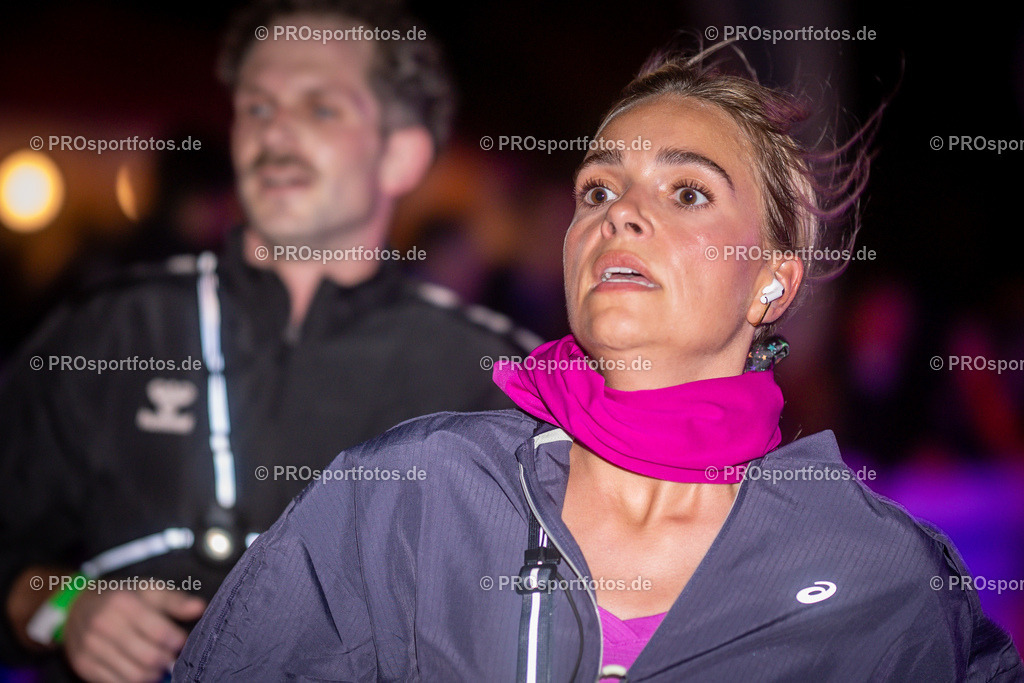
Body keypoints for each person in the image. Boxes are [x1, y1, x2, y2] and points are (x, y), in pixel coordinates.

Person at [174, 43, 1024, 682]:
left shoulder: (883, 577)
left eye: (687, 191)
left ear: (771, 278)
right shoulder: (409, 499)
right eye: (598, 191)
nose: (620, 215)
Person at [0, 1, 539, 680]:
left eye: (319, 109)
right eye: (256, 108)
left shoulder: (494, 377)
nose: (274, 135)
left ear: (401, 154)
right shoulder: (117, 328)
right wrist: (68, 606)